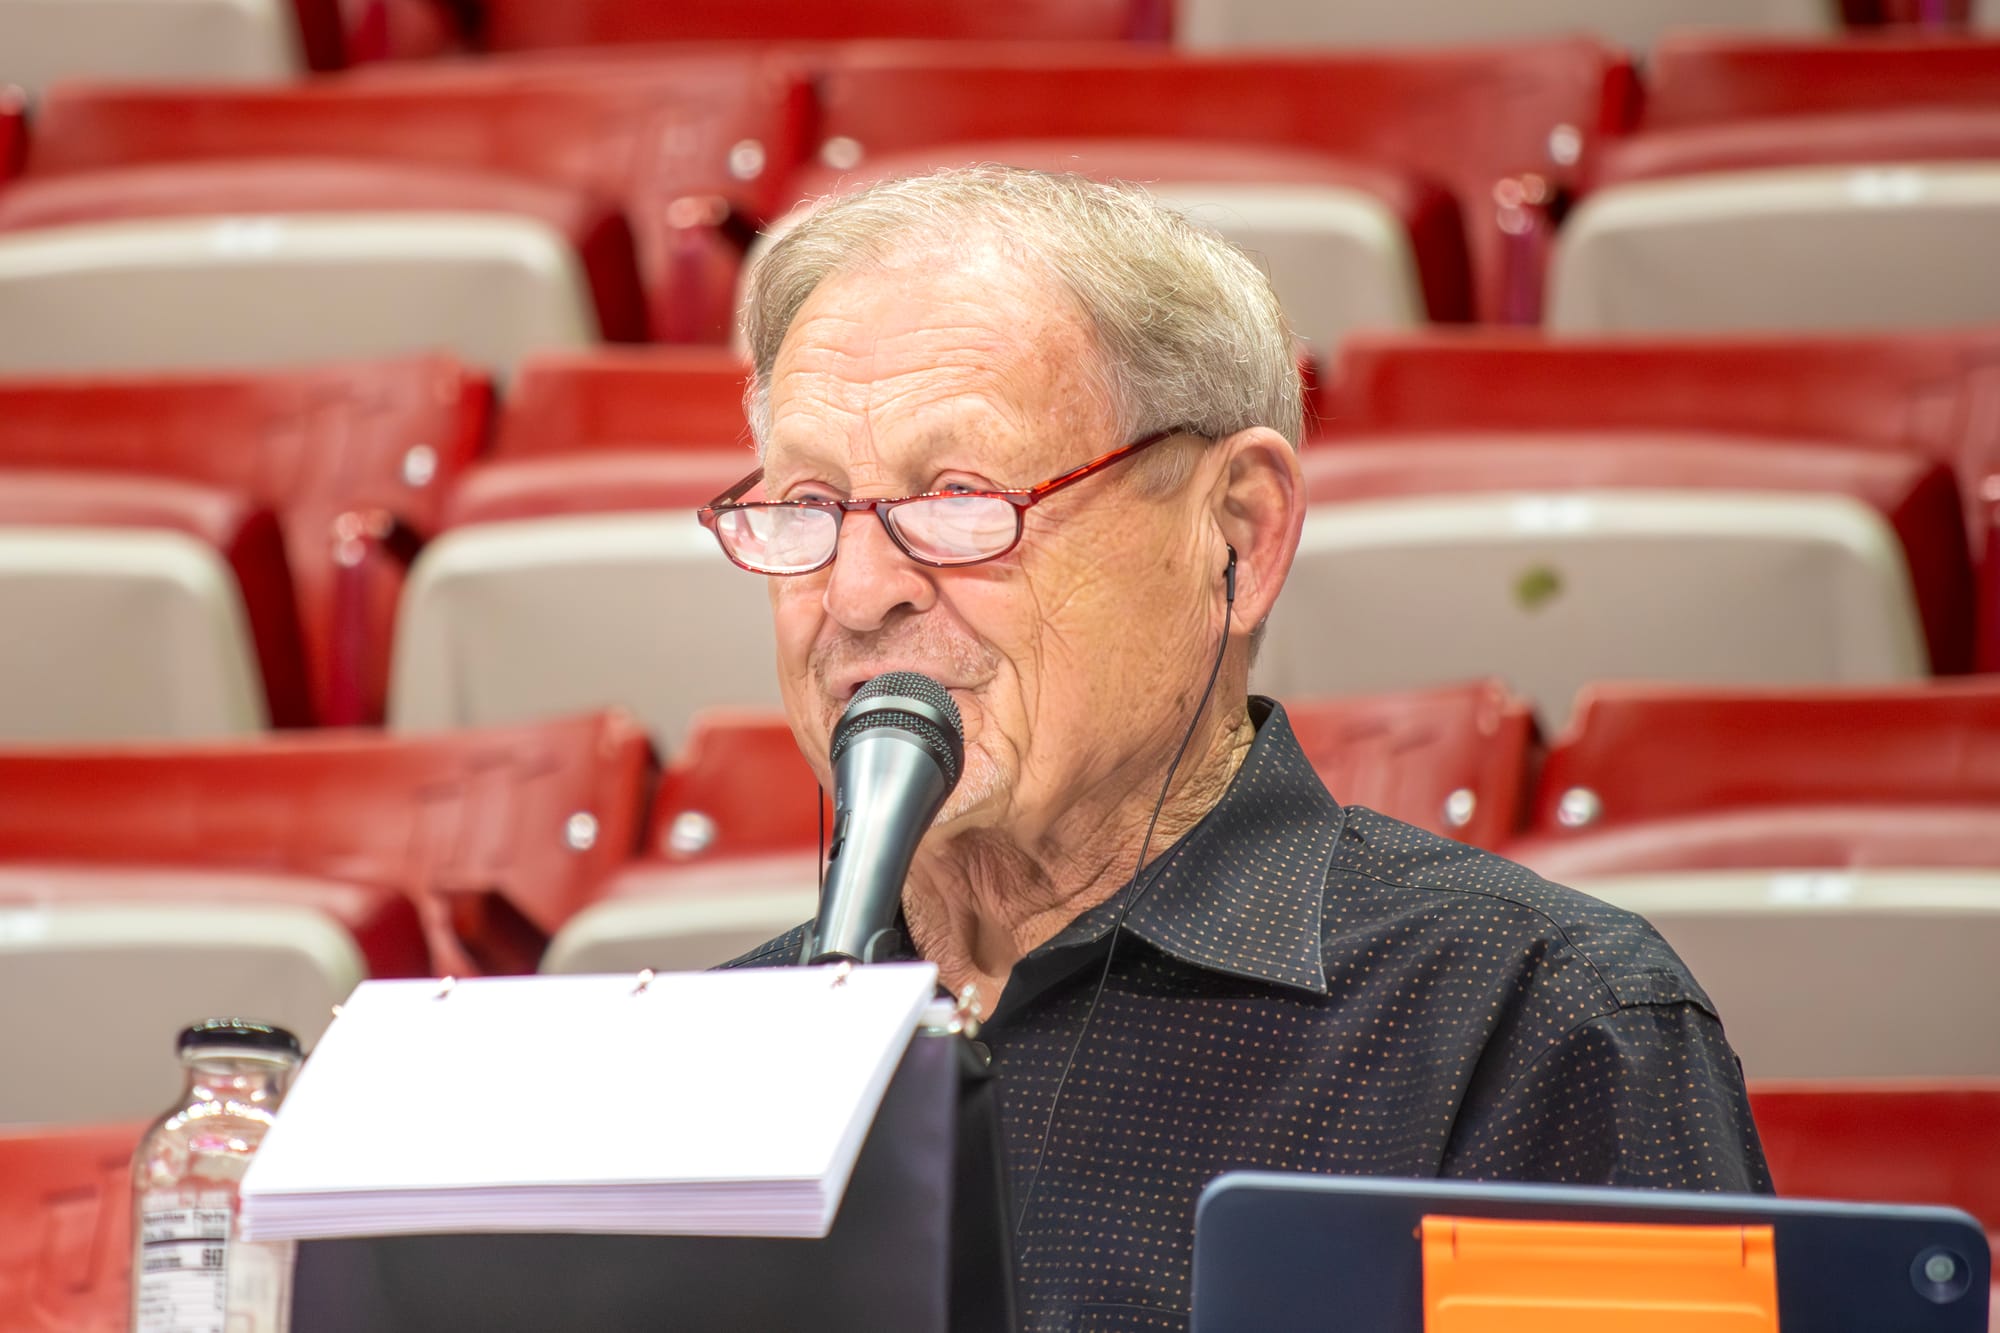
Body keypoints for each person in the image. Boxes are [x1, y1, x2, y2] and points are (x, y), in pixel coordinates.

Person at [705, 165, 1769, 1330]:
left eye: (959, 496)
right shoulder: (693, 1068)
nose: (857, 592)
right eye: (805, 505)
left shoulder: (1529, 1021)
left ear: (1238, 533)